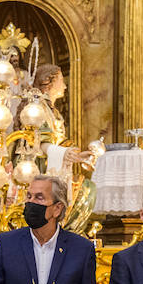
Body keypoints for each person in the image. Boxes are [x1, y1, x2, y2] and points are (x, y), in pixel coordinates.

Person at [33, 63, 96, 234]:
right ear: (49, 82)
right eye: (61, 81)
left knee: (88, 188)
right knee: (86, 189)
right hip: (42, 169)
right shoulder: (37, 108)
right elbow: (40, 143)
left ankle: (68, 232)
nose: (65, 86)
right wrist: (63, 153)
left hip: (56, 166)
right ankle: (67, 232)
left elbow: (58, 144)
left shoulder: (53, 111)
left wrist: (77, 156)